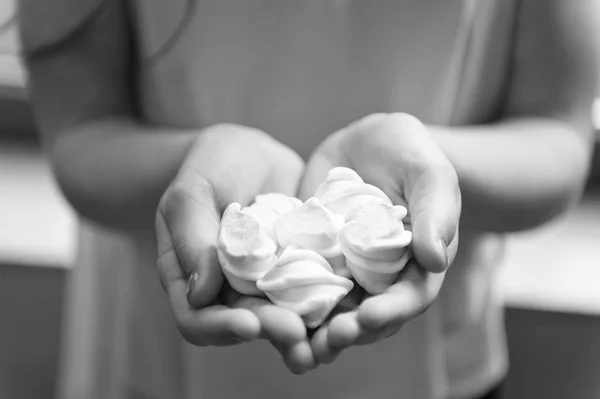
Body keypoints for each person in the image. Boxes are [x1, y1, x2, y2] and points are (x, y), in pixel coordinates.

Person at [19, 0, 599, 398]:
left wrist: (430, 168)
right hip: (154, 364)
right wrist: (189, 163)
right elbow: (79, 132)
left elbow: (557, 132)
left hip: (440, 369)